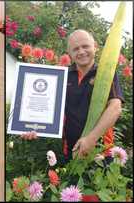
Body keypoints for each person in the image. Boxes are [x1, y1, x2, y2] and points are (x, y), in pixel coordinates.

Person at [21, 29, 124, 162]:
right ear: (69, 53)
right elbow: (47, 110)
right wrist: (32, 127)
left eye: (85, 46)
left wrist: (90, 139)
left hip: (100, 153)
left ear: (95, 47)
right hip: (71, 152)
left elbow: (115, 108)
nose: (81, 51)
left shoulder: (106, 73)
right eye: (75, 49)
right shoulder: (62, 76)